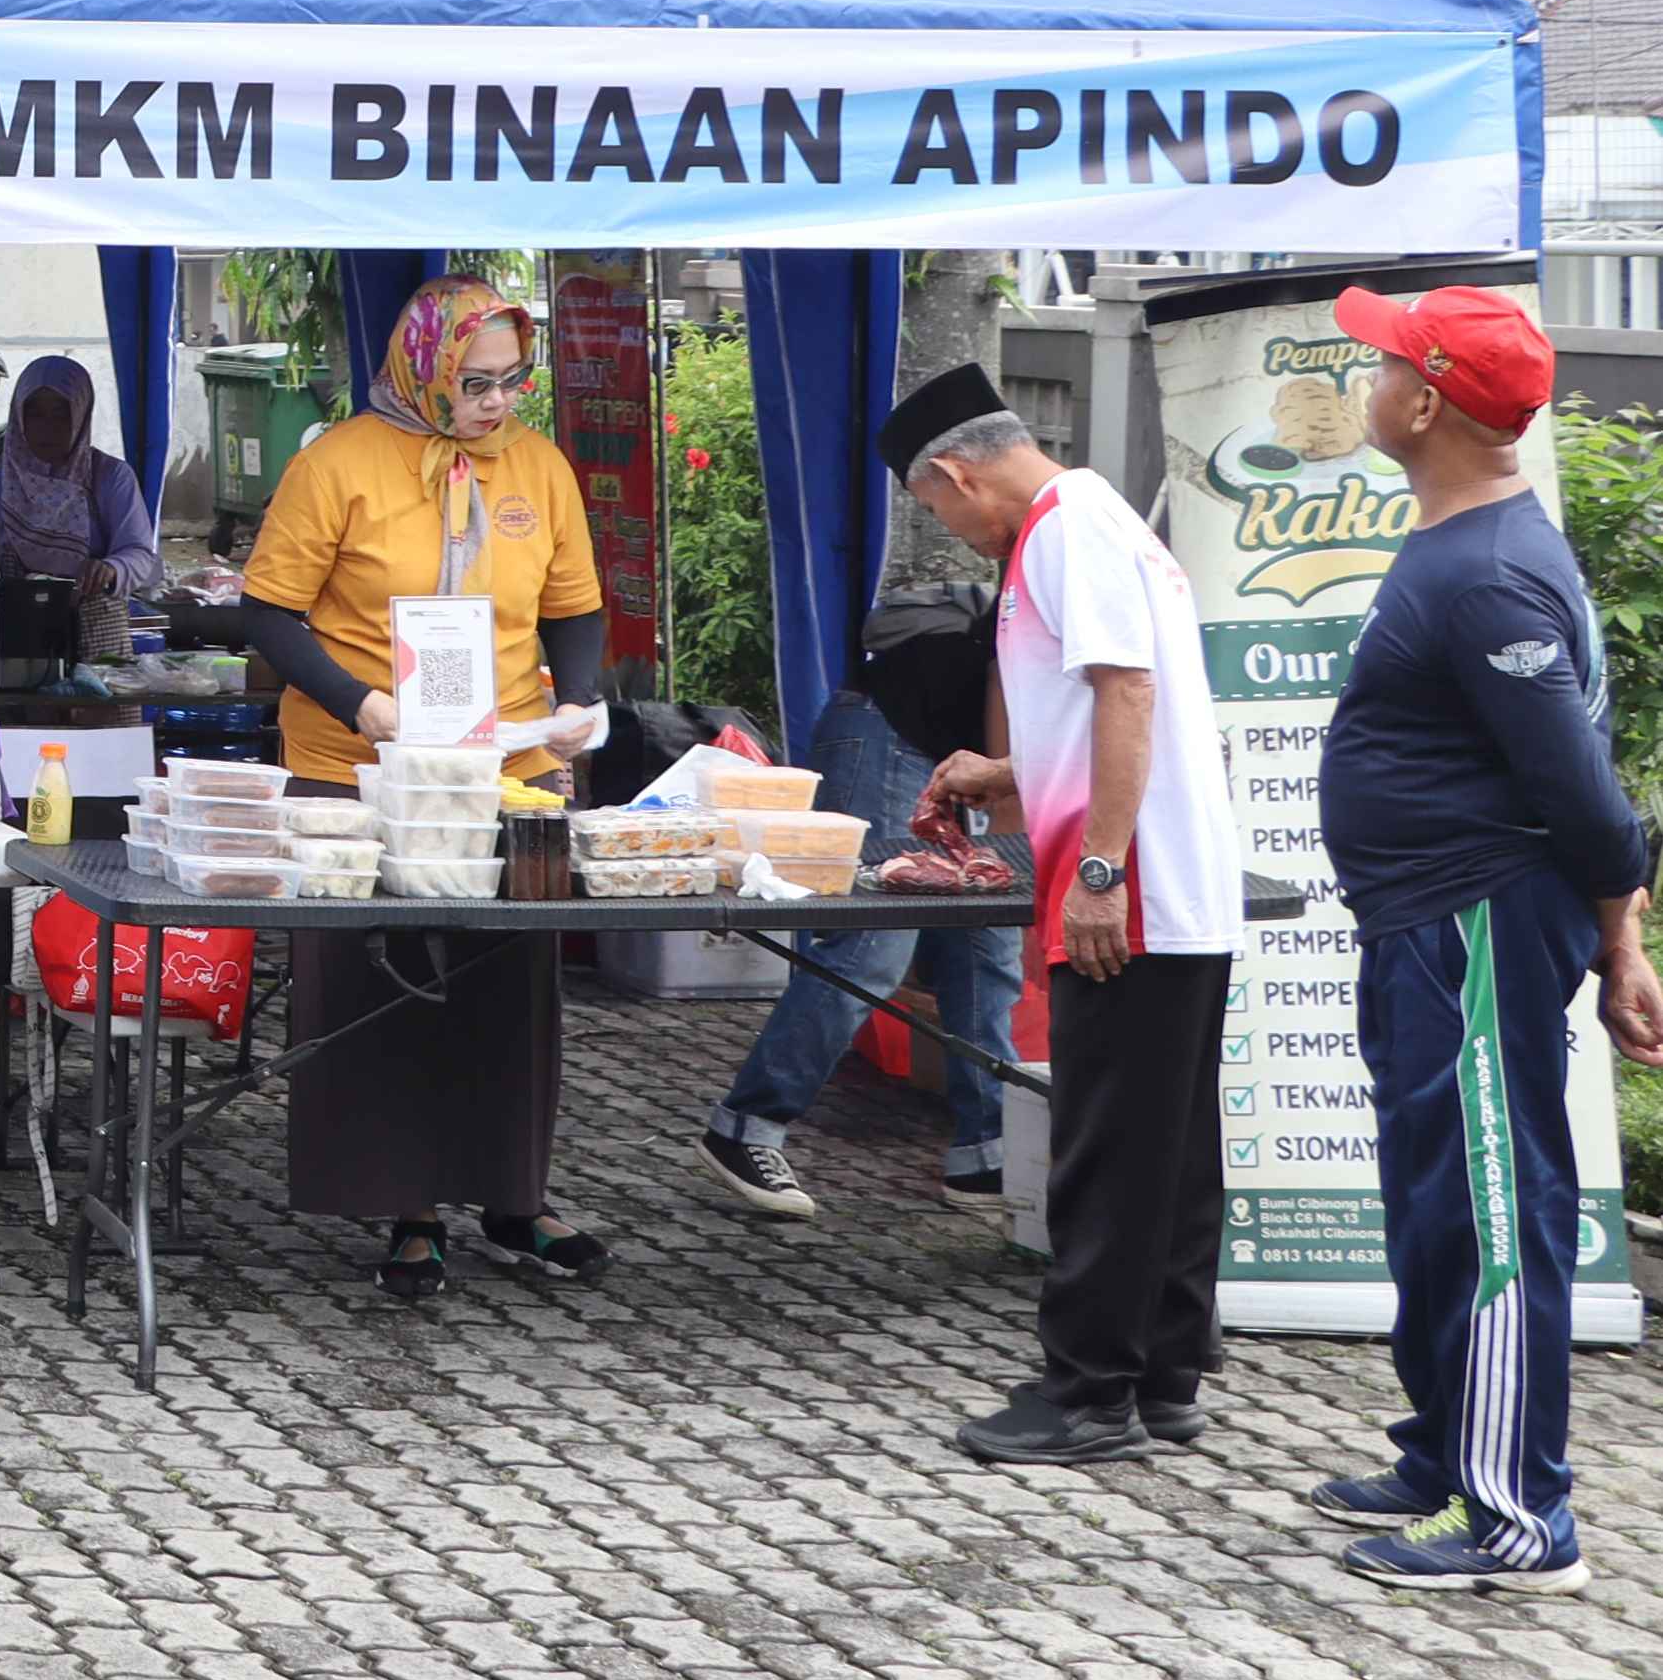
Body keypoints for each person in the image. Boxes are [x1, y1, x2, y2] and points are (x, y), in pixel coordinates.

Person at [1303, 286, 1663, 1581]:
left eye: (1383, 361)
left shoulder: (1488, 576)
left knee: (1491, 1203)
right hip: (1425, 922)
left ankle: (1515, 1512)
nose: (1365, 376)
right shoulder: (1466, 539)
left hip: (1470, 926)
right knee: (1430, 1198)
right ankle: (1444, 1449)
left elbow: (1583, 796)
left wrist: (1620, 939)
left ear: (1429, 401)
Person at [891, 371, 1246, 1468]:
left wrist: (1097, 867)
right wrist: (1005, 772)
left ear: (954, 473)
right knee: (1172, 1147)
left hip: (1131, 885)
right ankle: (1164, 1376)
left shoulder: (1058, 531)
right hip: (1178, 878)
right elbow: (1105, 709)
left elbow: (1126, 694)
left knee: (1105, 1146)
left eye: (933, 507)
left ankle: (1088, 1391)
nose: (946, 529)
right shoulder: (1097, 515)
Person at [237, 277, 614, 1301]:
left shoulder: (537, 466)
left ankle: (512, 1196)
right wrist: (358, 703)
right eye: (474, 383)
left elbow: (575, 608)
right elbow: (268, 613)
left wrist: (575, 698)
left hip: (505, 764)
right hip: (360, 756)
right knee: (378, 982)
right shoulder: (338, 463)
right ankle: (402, 1205)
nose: (497, 404)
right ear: (423, 369)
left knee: (510, 984)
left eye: (512, 381)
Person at [700, 602, 1025, 1215]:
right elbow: (1012, 758)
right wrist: (1009, 858)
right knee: (874, 943)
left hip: (955, 746)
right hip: (887, 731)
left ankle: (990, 1153)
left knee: (988, 945)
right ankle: (745, 1128)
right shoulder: (1061, 613)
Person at [0, 354, 161, 626]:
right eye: (35, 413)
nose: (47, 427)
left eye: (61, 413)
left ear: (81, 414)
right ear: (18, 415)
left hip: (99, 643)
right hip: (19, 641)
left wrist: (112, 568)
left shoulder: (111, 478)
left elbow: (139, 552)